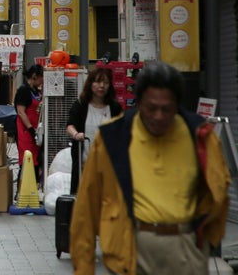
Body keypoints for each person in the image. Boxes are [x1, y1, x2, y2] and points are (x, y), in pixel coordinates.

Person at [70, 61, 231, 275]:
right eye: (151, 108)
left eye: (166, 109)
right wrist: (83, 268)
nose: (158, 116)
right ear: (139, 103)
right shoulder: (113, 138)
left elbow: (219, 190)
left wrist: (205, 240)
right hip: (131, 250)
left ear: (177, 105)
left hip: (186, 250)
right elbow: (86, 209)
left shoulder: (200, 136)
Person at [65, 67, 123, 194]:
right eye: (97, 82)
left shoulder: (114, 108)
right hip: (84, 162)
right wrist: (76, 134)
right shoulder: (81, 105)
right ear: (90, 84)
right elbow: (70, 125)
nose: (101, 86)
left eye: (106, 82)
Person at [14, 64, 43, 187]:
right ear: (34, 76)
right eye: (42, 78)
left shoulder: (36, 91)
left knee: (36, 161)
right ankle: (22, 191)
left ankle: (34, 188)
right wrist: (31, 129)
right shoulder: (23, 91)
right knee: (27, 160)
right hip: (25, 131)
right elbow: (21, 112)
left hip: (36, 131)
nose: (43, 81)